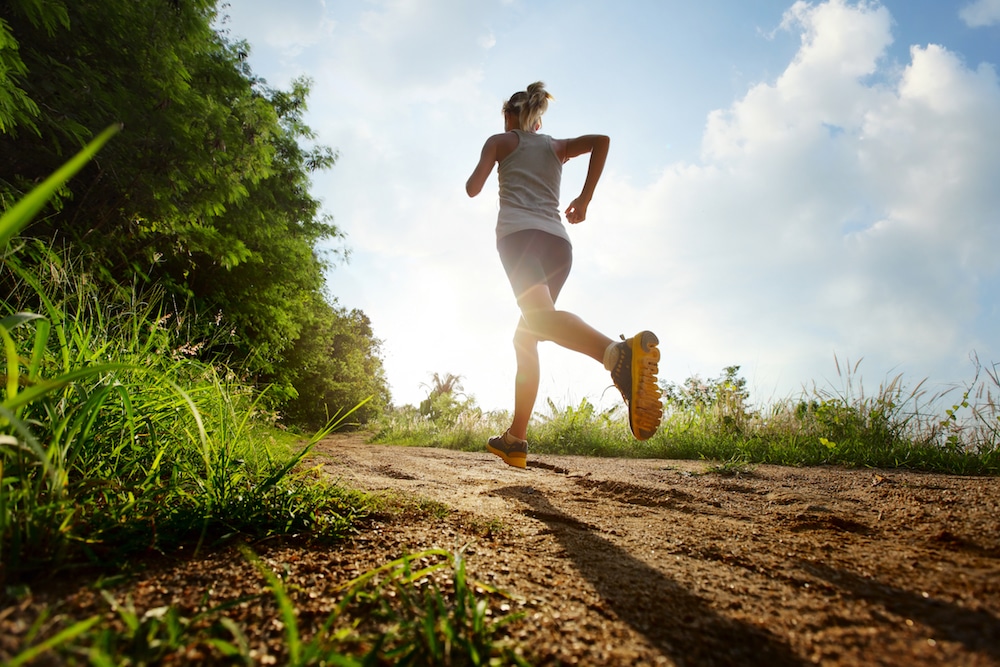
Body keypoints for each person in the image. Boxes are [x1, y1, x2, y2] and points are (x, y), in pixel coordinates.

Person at [466, 81, 662, 469]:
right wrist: (584, 199)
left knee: (538, 322)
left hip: (519, 237)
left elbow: (473, 188)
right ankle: (515, 439)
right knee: (528, 335)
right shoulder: (555, 146)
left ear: (510, 117)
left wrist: (493, 157)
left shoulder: (500, 141)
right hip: (558, 243)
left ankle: (617, 354)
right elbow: (601, 141)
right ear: (537, 121)